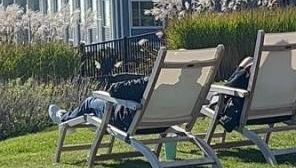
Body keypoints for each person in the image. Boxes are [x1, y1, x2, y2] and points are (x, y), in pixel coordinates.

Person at [49, 58, 254, 132]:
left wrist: (145, 78)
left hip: (129, 121)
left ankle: (64, 119)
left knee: (91, 101)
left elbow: (114, 91)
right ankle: (67, 118)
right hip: (164, 124)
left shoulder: (155, 82)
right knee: (97, 101)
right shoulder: (195, 88)